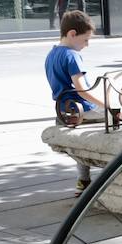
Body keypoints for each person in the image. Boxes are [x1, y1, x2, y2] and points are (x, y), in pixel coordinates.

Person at [45, 11, 107, 194]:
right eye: (86, 40)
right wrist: (106, 106)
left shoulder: (52, 54)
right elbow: (82, 89)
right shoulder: (72, 55)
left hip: (65, 110)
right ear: (72, 34)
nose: (87, 45)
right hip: (82, 108)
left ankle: (83, 180)